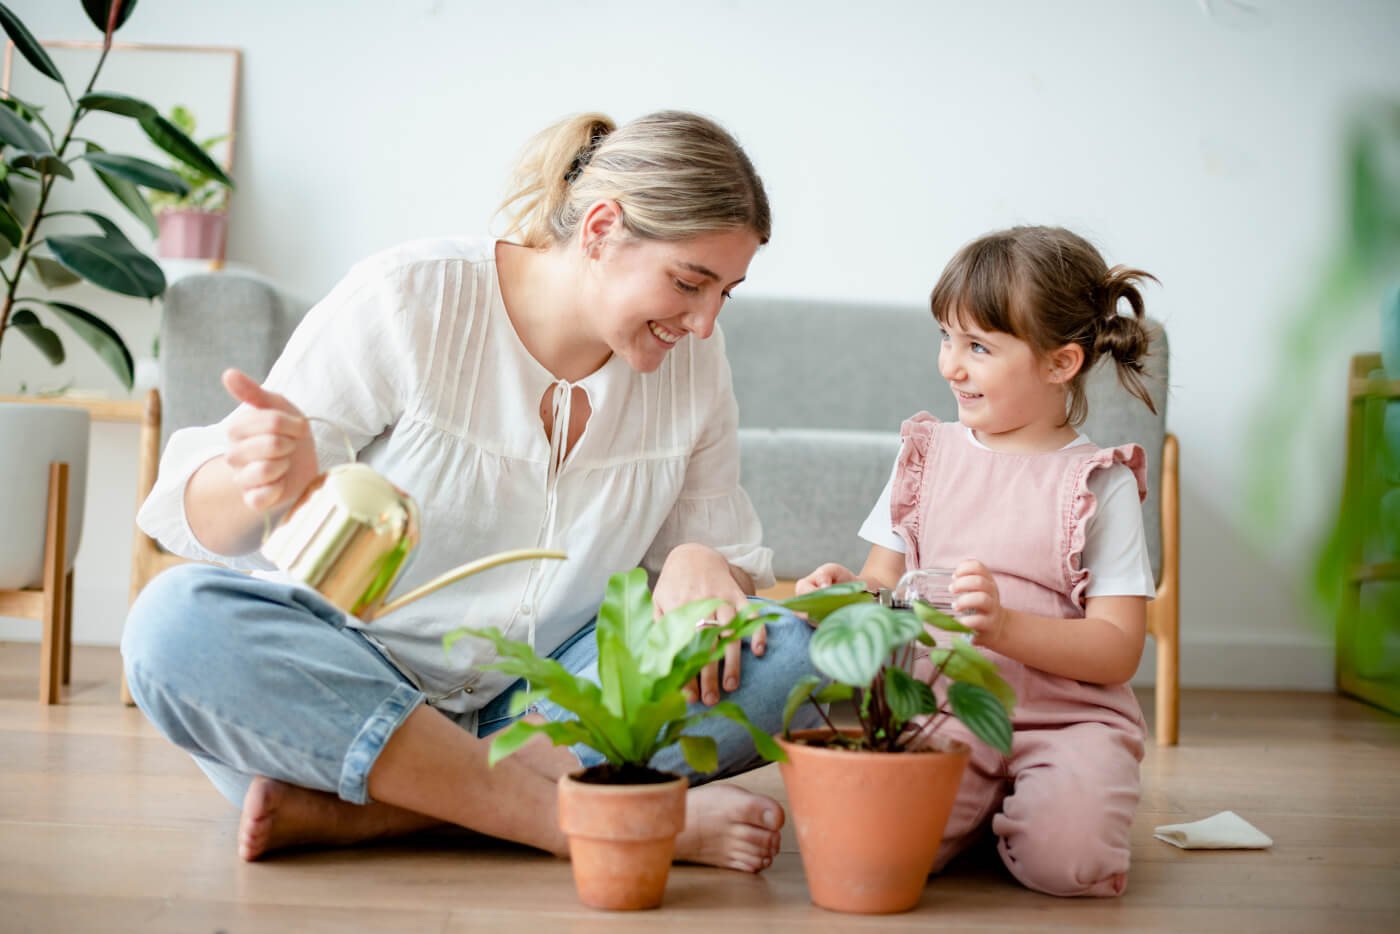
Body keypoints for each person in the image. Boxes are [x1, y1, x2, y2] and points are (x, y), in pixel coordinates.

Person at [123, 110, 822, 873]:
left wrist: (700, 560)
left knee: (794, 650)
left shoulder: (697, 363)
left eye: (728, 293)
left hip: (544, 702)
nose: (704, 320)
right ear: (600, 229)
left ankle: (386, 813)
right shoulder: (412, 296)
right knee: (172, 624)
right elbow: (192, 525)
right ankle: (581, 817)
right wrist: (254, 481)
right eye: (690, 282)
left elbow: (722, 592)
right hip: (350, 686)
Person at [797, 225, 1159, 897]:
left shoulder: (1099, 483)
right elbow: (882, 583)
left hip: (1071, 723)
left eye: (978, 347)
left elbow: (1117, 650)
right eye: (946, 338)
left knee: (1071, 865)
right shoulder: (926, 457)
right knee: (877, 851)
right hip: (947, 713)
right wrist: (842, 591)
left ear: (1061, 364)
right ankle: (1000, 810)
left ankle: (1049, 807)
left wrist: (1004, 629)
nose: (950, 366)